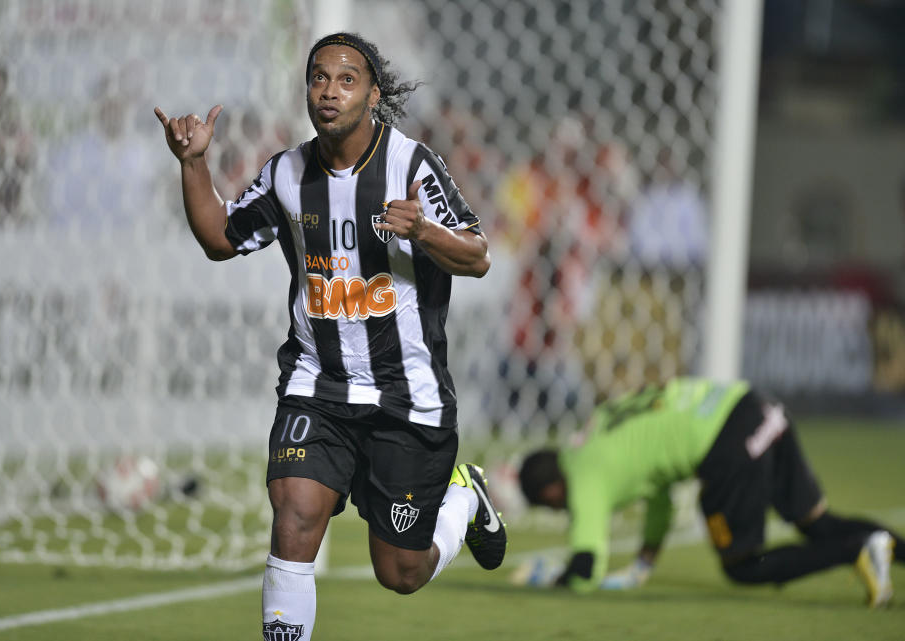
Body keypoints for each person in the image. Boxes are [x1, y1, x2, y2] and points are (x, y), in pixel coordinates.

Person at [154, 32, 506, 640]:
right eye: (319, 78)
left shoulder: (411, 165)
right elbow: (220, 239)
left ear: (373, 95)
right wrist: (193, 164)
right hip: (318, 384)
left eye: (346, 80)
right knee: (293, 513)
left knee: (400, 571)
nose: (329, 91)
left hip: (406, 397)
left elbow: (476, 256)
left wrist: (425, 231)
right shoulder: (288, 172)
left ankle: (465, 500)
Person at [517, 377, 902, 607]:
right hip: (757, 406)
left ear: (552, 493)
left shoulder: (584, 479)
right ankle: (881, 546)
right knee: (816, 522)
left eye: (553, 508)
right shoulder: (598, 426)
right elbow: (659, 496)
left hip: (729, 442)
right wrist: (643, 564)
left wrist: (549, 578)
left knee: (742, 565)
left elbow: (585, 572)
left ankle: (857, 549)